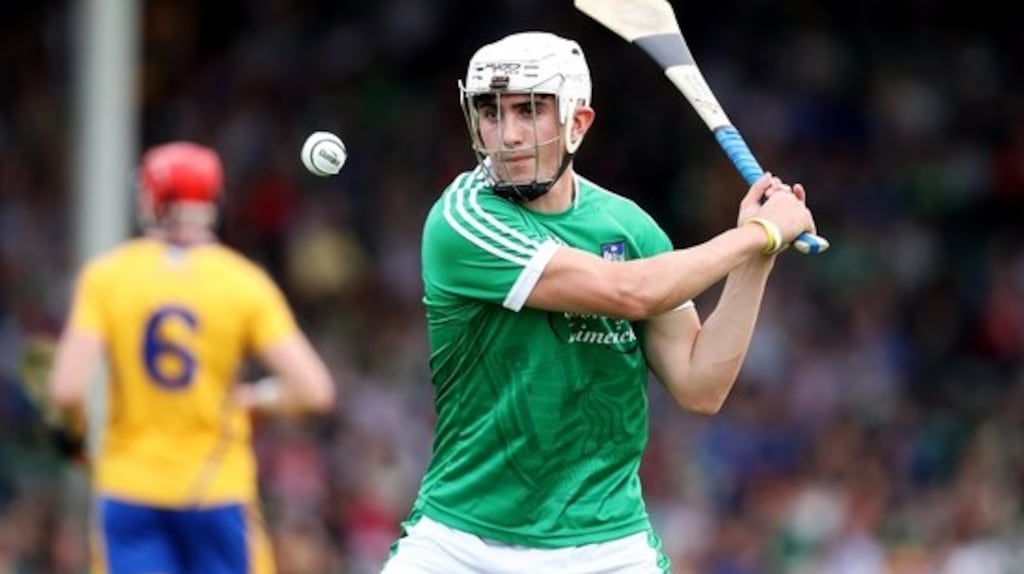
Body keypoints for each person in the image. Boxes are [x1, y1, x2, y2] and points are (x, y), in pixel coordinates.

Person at [380, 31, 817, 574]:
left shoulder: (627, 228)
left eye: (529, 110)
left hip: (607, 548)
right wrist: (758, 234)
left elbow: (701, 386)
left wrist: (759, 256)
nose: (508, 135)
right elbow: (630, 291)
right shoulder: (463, 219)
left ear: (577, 123)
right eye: (491, 113)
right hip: (463, 543)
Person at [46, 141, 336, 574]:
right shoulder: (243, 283)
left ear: (154, 199)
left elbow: (67, 388)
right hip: (215, 489)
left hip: (129, 488)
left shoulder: (107, 277)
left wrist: (74, 435)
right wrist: (256, 399)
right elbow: (314, 390)